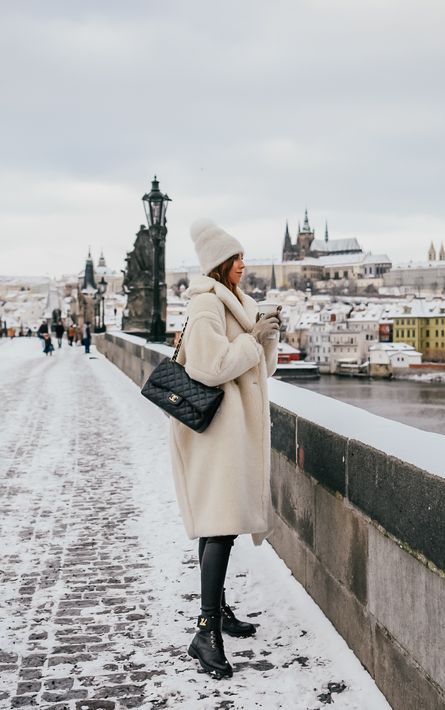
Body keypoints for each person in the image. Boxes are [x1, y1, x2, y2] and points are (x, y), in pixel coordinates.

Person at [170, 219, 281, 680]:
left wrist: (266, 338)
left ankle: (219, 610)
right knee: (219, 526)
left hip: (234, 429)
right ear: (219, 263)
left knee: (223, 525)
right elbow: (211, 366)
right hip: (215, 432)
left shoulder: (239, 303)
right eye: (236, 258)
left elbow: (261, 371)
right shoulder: (205, 308)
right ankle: (206, 630)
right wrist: (251, 343)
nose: (243, 264)